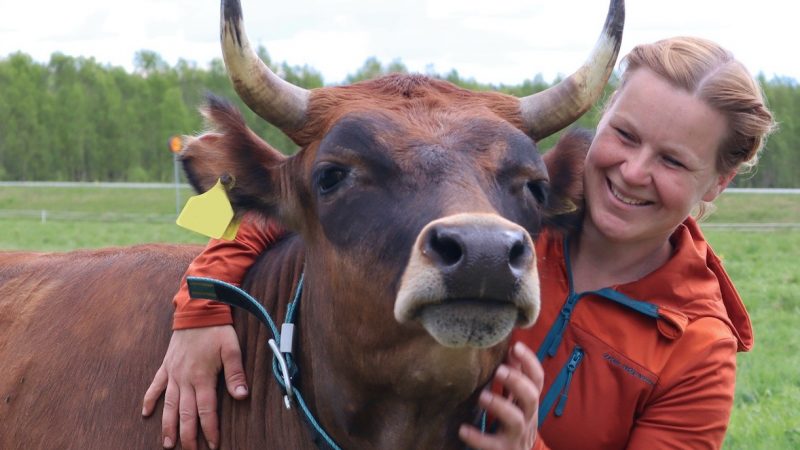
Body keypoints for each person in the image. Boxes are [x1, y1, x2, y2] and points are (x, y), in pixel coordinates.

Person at [142, 36, 775, 450]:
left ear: (716, 184)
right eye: (627, 135)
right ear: (600, 123)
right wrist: (204, 298)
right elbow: (281, 212)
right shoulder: (515, 204)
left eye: (672, 161)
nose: (632, 173)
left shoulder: (699, 350)